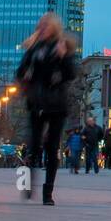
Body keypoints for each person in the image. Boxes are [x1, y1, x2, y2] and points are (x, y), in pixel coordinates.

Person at [15, 12, 78, 205]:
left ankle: (47, 193)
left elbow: (70, 74)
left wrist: (62, 57)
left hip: (56, 103)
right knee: (32, 147)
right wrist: (25, 75)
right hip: (36, 102)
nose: (41, 29)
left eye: (45, 25)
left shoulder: (62, 46)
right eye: (40, 25)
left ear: (54, 28)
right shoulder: (34, 48)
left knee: (52, 148)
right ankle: (25, 185)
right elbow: (20, 72)